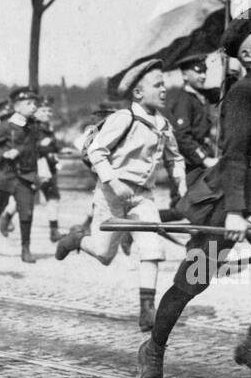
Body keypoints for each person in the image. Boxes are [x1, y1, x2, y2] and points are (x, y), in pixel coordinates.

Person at [138, 6, 251, 378]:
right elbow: (232, 155)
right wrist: (232, 211)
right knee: (192, 281)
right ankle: (153, 350)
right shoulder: (245, 91)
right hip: (230, 199)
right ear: (246, 56)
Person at [54, 58, 185, 332]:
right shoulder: (123, 118)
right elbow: (96, 151)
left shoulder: (163, 125)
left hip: (143, 197)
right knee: (104, 254)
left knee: (152, 248)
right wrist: (113, 181)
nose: (164, 90)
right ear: (138, 93)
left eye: (165, 85)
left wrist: (181, 186)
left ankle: (147, 310)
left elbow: (175, 159)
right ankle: (76, 239)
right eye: (157, 85)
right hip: (111, 194)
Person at [0, 86, 42, 263]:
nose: (33, 106)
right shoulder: (6, 127)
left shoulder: (34, 126)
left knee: (26, 211)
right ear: (17, 107)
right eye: (29, 103)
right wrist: (4, 154)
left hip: (25, 176)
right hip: (5, 176)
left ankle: (25, 249)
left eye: (35, 103)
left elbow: (36, 149)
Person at [164, 54, 218, 189]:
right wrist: (203, 158)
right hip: (188, 163)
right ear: (185, 76)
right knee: (186, 202)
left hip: (198, 160)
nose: (203, 76)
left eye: (205, 71)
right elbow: (182, 136)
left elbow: (219, 93)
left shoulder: (200, 96)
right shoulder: (184, 100)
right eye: (198, 72)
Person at [33, 95, 63, 242]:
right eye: (43, 110)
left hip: (48, 168)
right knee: (25, 198)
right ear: (35, 111)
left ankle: (54, 230)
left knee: (53, 197)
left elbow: (53, 146)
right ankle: (6, 217)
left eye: (49, 111)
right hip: (35, 167)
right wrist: (40, 145)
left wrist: (59, 150)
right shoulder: (32, 127)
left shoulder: (48, 128)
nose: (47, 114)